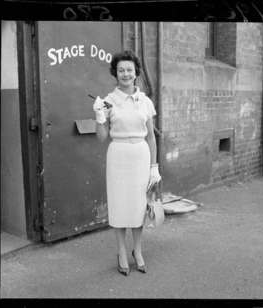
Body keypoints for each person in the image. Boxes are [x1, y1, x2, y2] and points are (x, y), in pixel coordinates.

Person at [93, 50, 161, 276]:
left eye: (129, 70)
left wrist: (154, 167)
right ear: (115, 73)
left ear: (136, 73)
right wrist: (100, 117)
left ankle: (138, 250)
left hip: (141, 155)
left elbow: (151, 136)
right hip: (118, 155)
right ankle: (122, 252)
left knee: (138, 206)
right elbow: (102, 137)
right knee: (120, 205)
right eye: (121, 70)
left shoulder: (145, 101)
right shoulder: (108, 101)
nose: (125, 74)